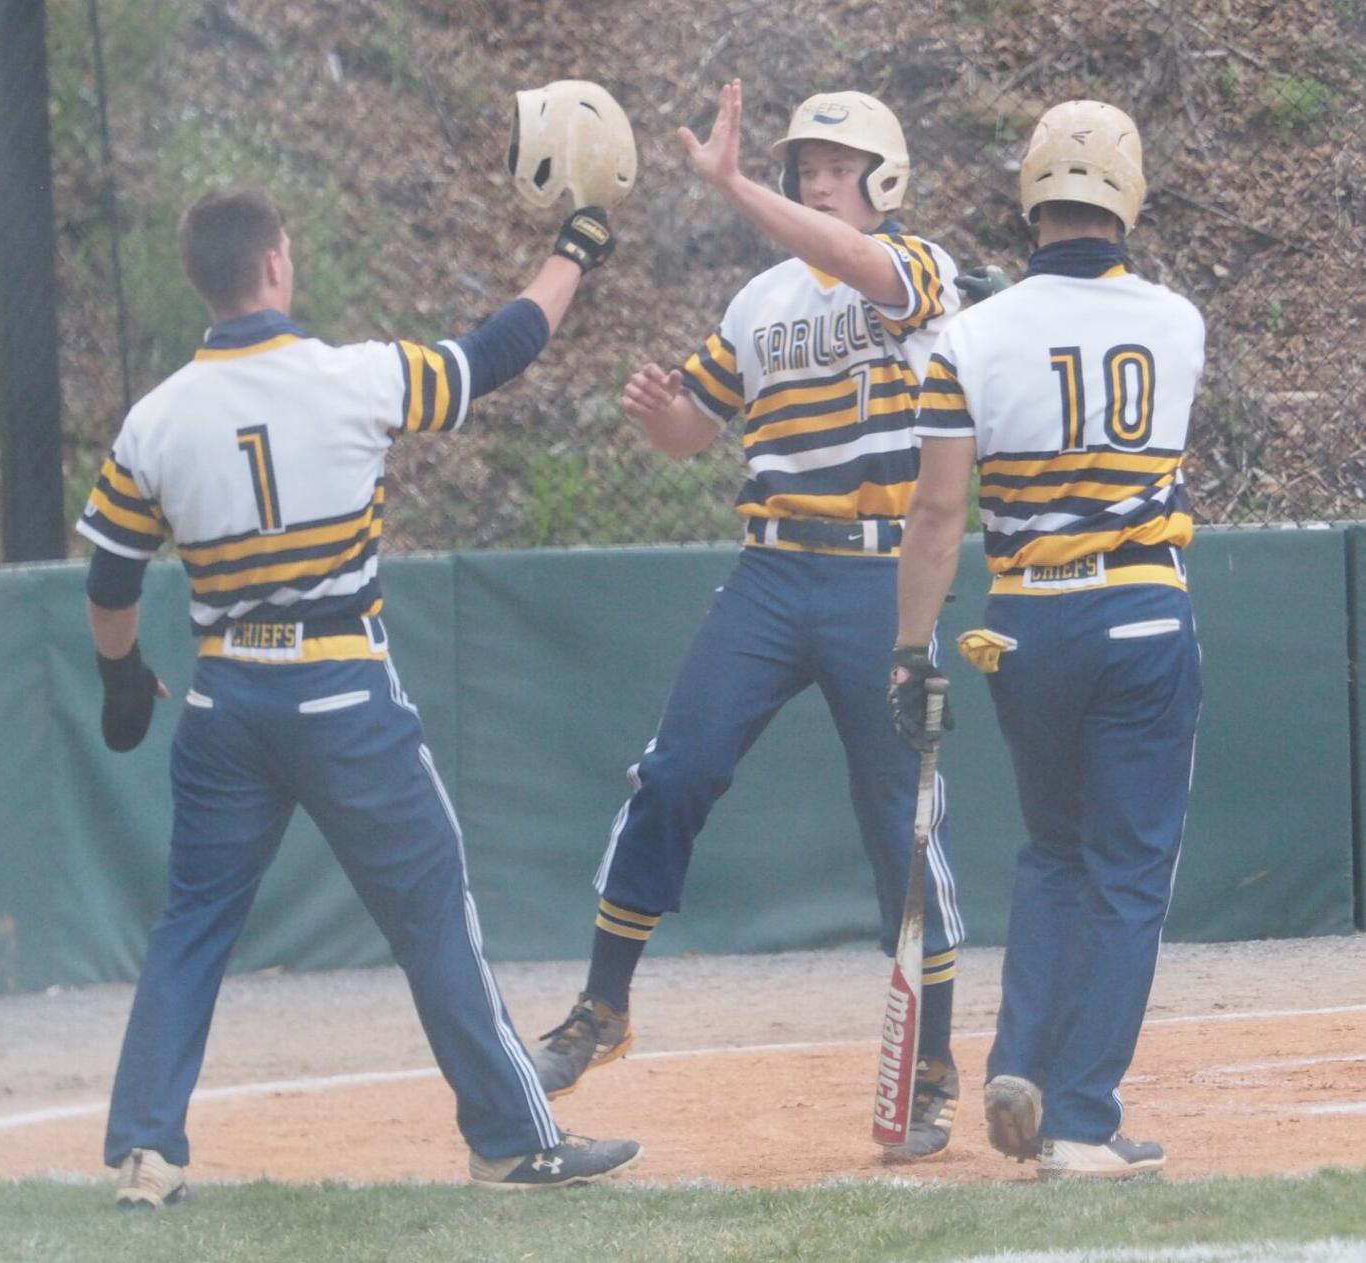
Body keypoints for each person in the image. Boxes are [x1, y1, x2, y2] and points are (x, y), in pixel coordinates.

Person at [76, 183, 641, 1206]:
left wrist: (120, 671)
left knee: (193, 923)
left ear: (201, 279)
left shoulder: (155, 419)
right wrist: (577, 248)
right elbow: (499, 350)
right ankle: (513, 1141)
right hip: (340, 690)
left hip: (227, 697)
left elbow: (112, 577)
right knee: (433, 916)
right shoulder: (355, 377)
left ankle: (145, 1155)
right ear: (279, 265)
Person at [531, 79, 967, 1163]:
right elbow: (695, 434)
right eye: (804, 168)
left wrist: (725, 187)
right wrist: (658, 415)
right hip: (772, 573)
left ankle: (930, 1060)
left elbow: (865, 269)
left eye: (836, 166)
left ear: (886, 179)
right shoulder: (760, 301)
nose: (816, 179)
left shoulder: (917, 268)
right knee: (674, 773)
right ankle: (601, 1008)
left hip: (876, 581)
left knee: (901, 826)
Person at [889, 99, 1204, 1179]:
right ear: (1129, 197)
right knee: (1128, 871)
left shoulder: (965, 339)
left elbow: (936, 519)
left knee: (1053, 854)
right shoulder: (1180, 320)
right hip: (1142, 607)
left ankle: (1017, 1062)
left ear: (1031, 195)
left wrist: (910, 650)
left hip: (1026, 620)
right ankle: (1080, 1117)